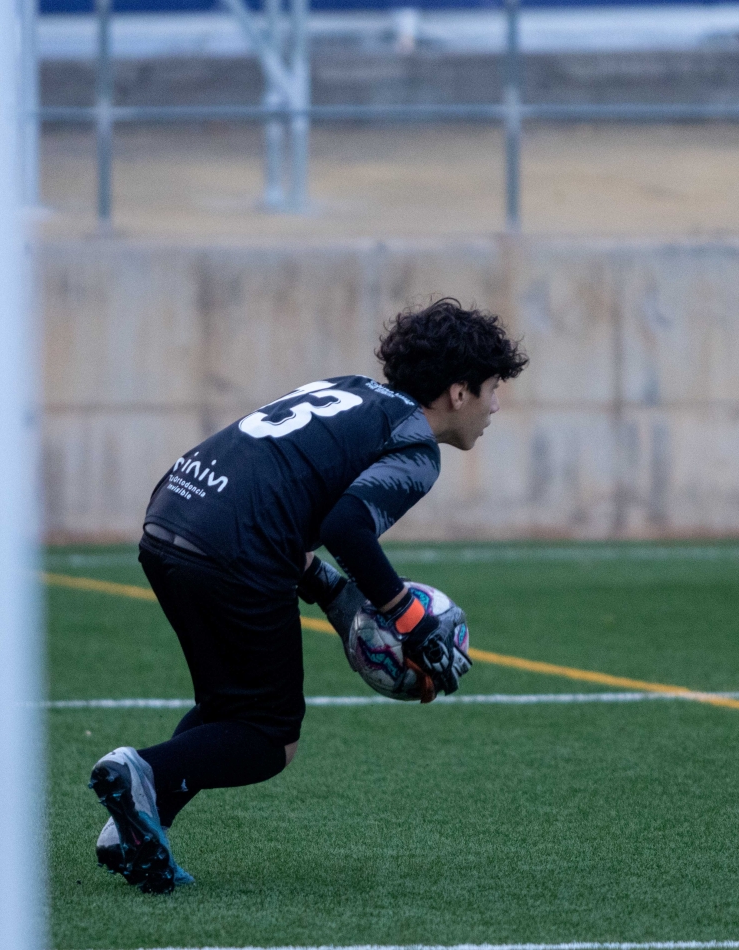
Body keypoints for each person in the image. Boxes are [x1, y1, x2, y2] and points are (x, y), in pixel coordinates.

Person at [88, 298, 528, 894]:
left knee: (230, 705)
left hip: (172, 513)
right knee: (271, 736)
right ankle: (141, 772)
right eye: (493, 388)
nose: (496, 405)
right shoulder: (417, 449)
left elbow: (277, 487)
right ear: (458, 392)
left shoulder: (348, 390)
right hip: (233, 545)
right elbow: (348, 527)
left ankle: (136, 824)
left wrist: (332, 592)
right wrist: (410, 619)